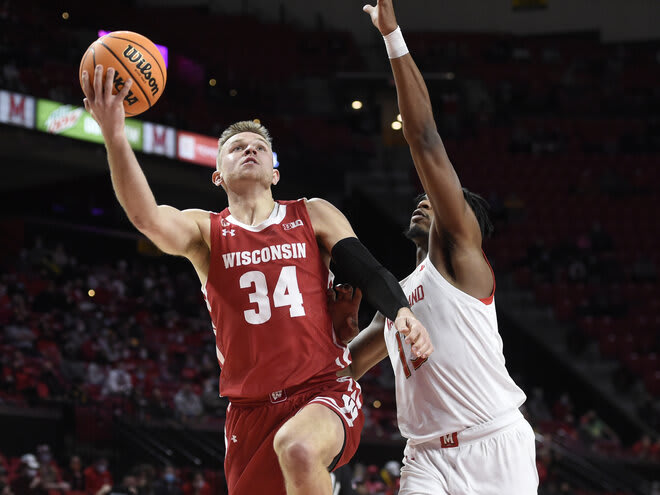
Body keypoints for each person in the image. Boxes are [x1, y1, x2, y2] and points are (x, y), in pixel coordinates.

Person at [80, 63, 432, 495]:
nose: (250, 150)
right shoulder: (206, 232)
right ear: (217, 176)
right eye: (236, 148)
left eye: (260, 147)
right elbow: (147, 218)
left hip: (323, 390)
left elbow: (368, 269)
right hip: (249, 412)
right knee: (289, 454)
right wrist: (115, 137)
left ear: (274, 173)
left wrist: (400, 311)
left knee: (299, 448)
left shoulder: (312, 213)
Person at [342, 1, 539, 494]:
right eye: (422, 199)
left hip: (493, 445)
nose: (424, 200)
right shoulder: (397, 297)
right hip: (424, 456)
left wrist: (392, 37)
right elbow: (344, 365)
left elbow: (424, 137)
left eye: (441, 201)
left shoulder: (462, 260)